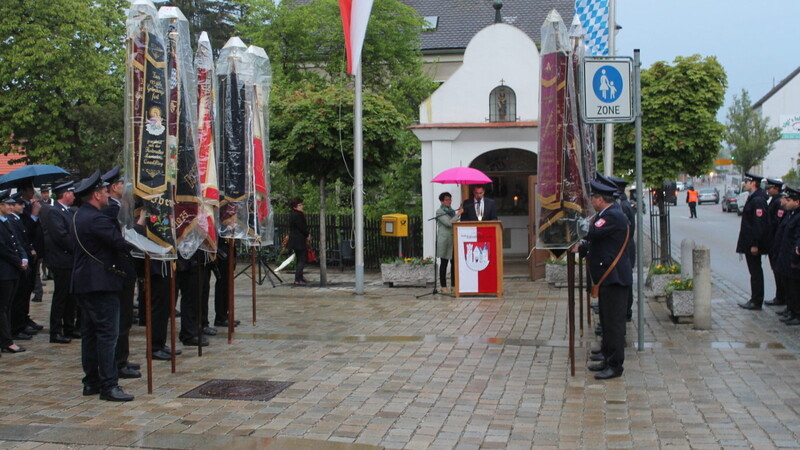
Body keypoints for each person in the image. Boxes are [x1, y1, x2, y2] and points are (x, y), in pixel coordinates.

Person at [71, 171, 134, 401]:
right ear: (96, 195)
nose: (108, 194)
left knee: (90, 335)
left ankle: (91, 382)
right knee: (108, 335)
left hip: (85, 283)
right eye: (105, 191)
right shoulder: (96, 219)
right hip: (101, 283)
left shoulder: (80, 215)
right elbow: (119, 243)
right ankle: (109, 385)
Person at [571, 179, 631, 380]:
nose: (591, 202)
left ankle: (615, 366)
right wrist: (582, 248)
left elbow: (593, 232)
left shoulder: (612, 215)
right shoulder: (605, 214)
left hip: (615, 279)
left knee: (613, 324)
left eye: (593, 198)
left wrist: (577, 225)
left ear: (600, 199)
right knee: (606, 321)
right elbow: (599, 243)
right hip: (608, 278)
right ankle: (607, 357)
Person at [100, 166, 141, 379]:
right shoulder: (111, 210)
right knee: (120, 318)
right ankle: (118, 362)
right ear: (115, 187)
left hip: (125, 268)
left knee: (124, 319)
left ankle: (122, 359)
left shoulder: (119, 207)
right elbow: (124, 239)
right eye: (124, 184)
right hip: (119, 269)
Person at [43, 181, 77, 344]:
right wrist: (76, 248)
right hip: (62, 260)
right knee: (61, 296)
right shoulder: (54, 212)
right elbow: (61, 236)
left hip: (70, 260)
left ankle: (69, 327)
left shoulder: (67, 211)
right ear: (65, 194)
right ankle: (56, 331)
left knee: (71, 297)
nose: (74, 196)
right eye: (72, 193)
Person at [0, 189, 28, 354]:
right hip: (4, 271)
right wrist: (19, 262)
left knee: (7, 306)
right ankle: (6, 340)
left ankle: (6, 337)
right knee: (3, 307)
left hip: (12, 270)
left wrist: (23, 258)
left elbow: (17, 243)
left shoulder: (6, 222)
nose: (11, 207)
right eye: (7, 205)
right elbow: (3, 248)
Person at [737, 172, 770, 311]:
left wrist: (755, 244)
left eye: (747, 182)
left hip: (753, 243)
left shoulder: (758, 200)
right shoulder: (753, 198)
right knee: (754, 272)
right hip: (750, 241)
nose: (745, 184)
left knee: (756, 272)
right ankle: (754, 299)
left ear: (753, 183)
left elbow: (758, 224)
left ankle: (756, 301)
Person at [773, 187, 800, 325]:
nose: (785, 202)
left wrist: (795, 256)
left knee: (795, 287)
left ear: (797, 202)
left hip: (793, 258)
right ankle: (791, 310)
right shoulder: (791, 214)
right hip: (785, 256)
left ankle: (797, 313)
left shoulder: (797, 216)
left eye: (789, 200)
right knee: (789, 285)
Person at [764, 178, 786, 307]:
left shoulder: (778, 201)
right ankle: (780, 296)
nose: (768, 190)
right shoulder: (774, 200)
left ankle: (781, 297)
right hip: (773, 240)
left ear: (776, 189)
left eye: (770, 188)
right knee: (776, 270)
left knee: (779, 271)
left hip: (775, 241)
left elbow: (777, 222)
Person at [435, 192, 462, 293]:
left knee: (454, 263)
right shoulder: (439, 211)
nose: (449, 201)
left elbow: (454, 221)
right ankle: (443, 285)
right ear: (442, 201)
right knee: (444, 263)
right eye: (446, 200)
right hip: (445, 241)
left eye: (450, 199)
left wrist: (457, 213)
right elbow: (449, 223)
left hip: (453, 239)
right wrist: (458, 214)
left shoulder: (451, 211)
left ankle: (454, 285)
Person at [288, 197, 310, 286]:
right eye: (299, 205)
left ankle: (300, 276)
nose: (302, 206)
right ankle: (297, 279)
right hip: (299, 240)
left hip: (295, 240)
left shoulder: (293, 214)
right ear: (295, 207)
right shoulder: (298, 215)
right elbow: (302, 227)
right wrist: (307, 235)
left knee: (299, 259)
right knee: (302, 259)